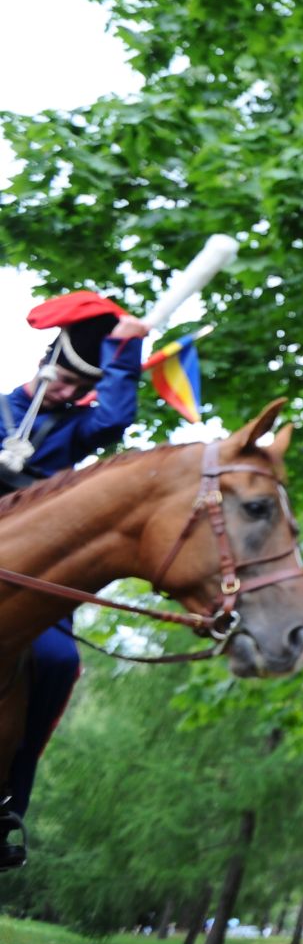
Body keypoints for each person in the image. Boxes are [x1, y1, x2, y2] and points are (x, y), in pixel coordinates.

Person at [0, 291, 148, 869]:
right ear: (43, 364)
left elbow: (115, 416)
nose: (63, 391)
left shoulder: (79, 428)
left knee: (59, 662)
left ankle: (10, 800)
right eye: (60, 379)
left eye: (73, 387)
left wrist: (124, 348)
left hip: (34, 576)